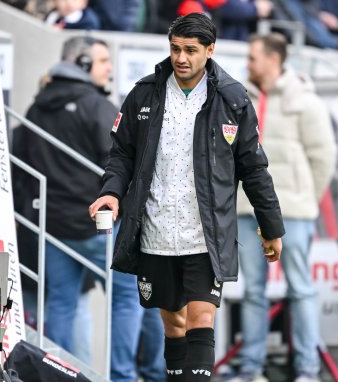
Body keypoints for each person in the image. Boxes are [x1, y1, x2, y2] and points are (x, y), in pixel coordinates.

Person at [88, 13, 285, 382]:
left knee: (201, 318)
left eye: (191, 50)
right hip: (157, 232)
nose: (181, 58)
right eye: (176, 48)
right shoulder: (144, 93)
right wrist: (111, 193)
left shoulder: (233, 98)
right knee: (174, 324)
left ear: (210, 51)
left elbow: (254, 168)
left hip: (205, 235)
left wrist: (271, 226)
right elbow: (121, 156)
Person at [13, 36, 161, 381]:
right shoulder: (96, 107)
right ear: (81, 64)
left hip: (52, 226)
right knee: (128, 297)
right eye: (103, 61)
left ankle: (64, 376)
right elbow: (127, 160)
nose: (110, 68)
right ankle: (122, 376)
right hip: (98, 226)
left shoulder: (37, 108)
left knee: (62, 303)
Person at [229, 33, 336, 382]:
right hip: (248, 210)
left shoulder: (305, 101)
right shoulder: (240, 99)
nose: (248, 64)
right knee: (253, 292)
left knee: (300, 289)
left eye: (253, 57)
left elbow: (324, 159)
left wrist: (303, 198)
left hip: (293, 213)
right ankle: (251, 368)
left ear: (273, 60)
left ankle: (306, 369)